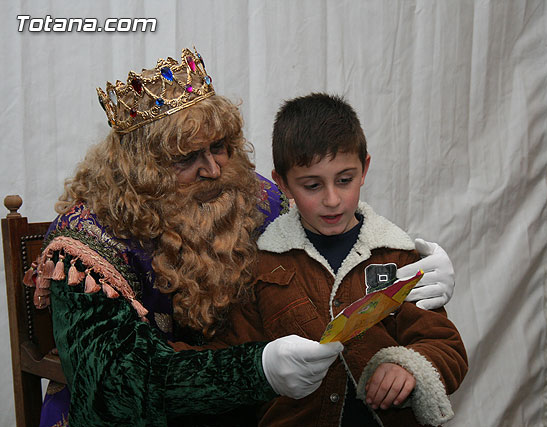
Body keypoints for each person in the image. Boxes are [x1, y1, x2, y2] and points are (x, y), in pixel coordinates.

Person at [24, 49, 455, 426]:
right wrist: (255, 370)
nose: (213, 170)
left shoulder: (255, 198)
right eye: (187, 157)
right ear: (141, 169)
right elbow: (116, 384)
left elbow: (328, 227)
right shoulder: (86, 244)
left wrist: (409, 260)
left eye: (219, 147)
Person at [208, 93, 468, 426]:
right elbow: (230, 360)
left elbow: (447, 347)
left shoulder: (397, 255)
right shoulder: (260, 267)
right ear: (282, 183)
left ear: (365, 169)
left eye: (345, 180)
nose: (332, 199)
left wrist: (408, 366)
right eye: (312, 185)